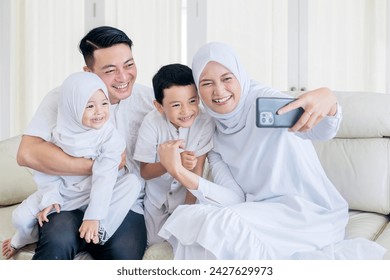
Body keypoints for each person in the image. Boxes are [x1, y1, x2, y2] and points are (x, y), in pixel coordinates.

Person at [156, 42, 387, 259]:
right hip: (261, 214)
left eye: (227, 78)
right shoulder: (213, 132)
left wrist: (329, 100)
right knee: (194, 220)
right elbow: (232, 198)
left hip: (308, 213)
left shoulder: (265, 100)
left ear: (241, 77)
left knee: (220, 226)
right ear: (198, 91)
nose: (219, 91)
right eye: (207, 83)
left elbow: (320, 131)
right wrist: (179, 172)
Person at [16, 26, 154, 260]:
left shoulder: (149, 101)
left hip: (122, 200)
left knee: (124, 254)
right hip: (70, 198)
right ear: (88, 72)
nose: (123, 77)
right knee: (57, 241)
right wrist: (99, 165)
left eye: (129, 65)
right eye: (110, 70)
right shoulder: (64, 99)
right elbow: (27, 154)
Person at [2, 72, 141, 259]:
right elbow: (46, 171)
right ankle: (22, 239)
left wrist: (94, 216)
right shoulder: (59, 133)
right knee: (20, 217)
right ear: (73, 108)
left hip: (100, 193)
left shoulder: (110, 137)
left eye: (104, 103)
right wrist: (51, 197)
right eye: (90, 106)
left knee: (132, 182)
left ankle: (101, 228)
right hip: (66, 194)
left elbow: (105, 178)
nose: (99, 111)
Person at [133, 63, 215, 246]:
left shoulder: (205, 122)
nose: (186, 111)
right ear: (159, 106)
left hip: (186, 196)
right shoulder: (151, 123)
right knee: (155, 242)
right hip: (156, 200)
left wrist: (185, 212)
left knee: (186, 241)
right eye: (176, 105)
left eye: (192, 101)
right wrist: (170, 163)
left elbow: (197, 171)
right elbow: (145, 171)